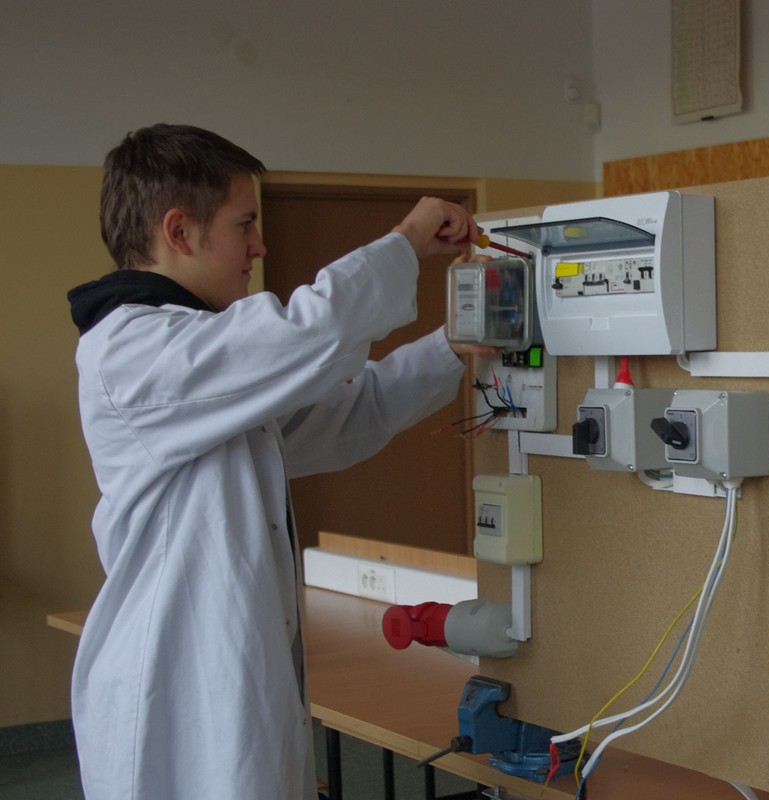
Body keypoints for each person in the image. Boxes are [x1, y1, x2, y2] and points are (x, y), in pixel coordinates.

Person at [66, 123, 484, 799]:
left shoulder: (206, 365)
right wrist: (405, 241)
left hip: (227, 686)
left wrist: (457, 345)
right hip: (173, 695)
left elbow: (351, 412)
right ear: (179, 232)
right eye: (245, 224)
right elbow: (305, 333)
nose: (258, 246)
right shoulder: (133, 352)